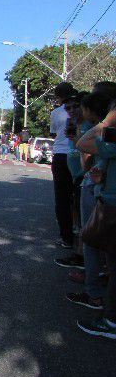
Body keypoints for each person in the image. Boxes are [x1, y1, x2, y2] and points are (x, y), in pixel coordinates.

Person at [63, 92, 109, 307]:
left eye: (78, 107)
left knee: (91, 237)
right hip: (99, 188)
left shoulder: (102, 131)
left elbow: (84, 152)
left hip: (99, 189)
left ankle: (94, 293)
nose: (74, 111)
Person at [75, 100, 116, 339]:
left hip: (111, 205)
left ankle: (110, 321)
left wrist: (107, 121)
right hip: (107, 198)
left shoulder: (110, 139)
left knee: (108, 259)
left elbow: (84, 143)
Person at [50, 82, 78, 249]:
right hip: (79, 151)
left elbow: (53, 132)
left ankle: (66, 237)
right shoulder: (81, 108)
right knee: (78, 194)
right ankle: (79, 227)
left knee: (62, 197)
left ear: (58, 96)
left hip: (61, 154)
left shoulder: (57, 112)